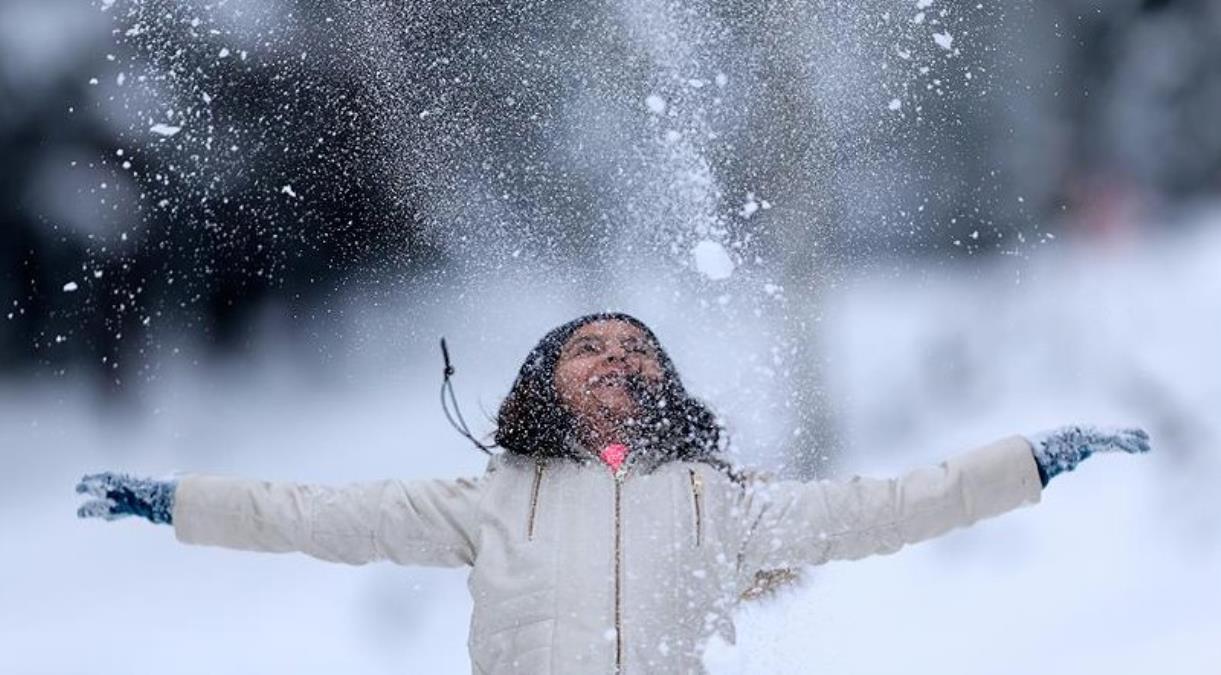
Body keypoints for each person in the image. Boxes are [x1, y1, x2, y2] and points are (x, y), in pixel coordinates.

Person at [75, 311, 1151, 674]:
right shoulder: (488, 499)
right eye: (588, 347)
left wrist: (1033, 461)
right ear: (545, 382)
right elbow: (309, 514)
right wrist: (174, 501)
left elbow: (891, 504)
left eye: (637, 348)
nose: (615, 359)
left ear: (664, 383)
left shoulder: (718, 502)